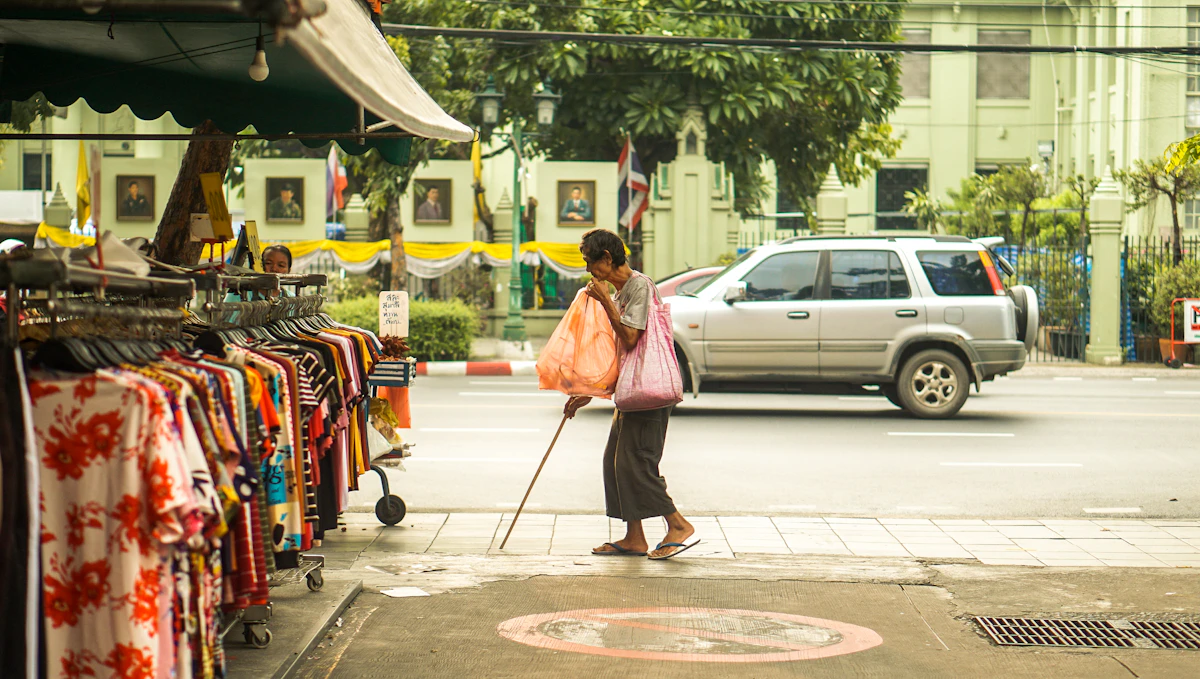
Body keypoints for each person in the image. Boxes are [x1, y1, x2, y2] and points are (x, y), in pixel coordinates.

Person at [564, 229, 697, 560]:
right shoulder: (623, 291)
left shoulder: (638, 286)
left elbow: (631, 339)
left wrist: (606, 301)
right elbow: (620, 356)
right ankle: (634, 537)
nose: (588, 270)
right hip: (630, 392)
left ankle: (677, 524)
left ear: (607, 259)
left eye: (589, 261)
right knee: (616, 462)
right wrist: (589, 392)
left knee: (638, 462)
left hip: (649, 393)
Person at [226, 245, 292, 302]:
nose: (274, 269)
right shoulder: (239, 295)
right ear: (260, 265)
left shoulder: (292, 299)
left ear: (289, 270)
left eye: (281, 265)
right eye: (268, 263)